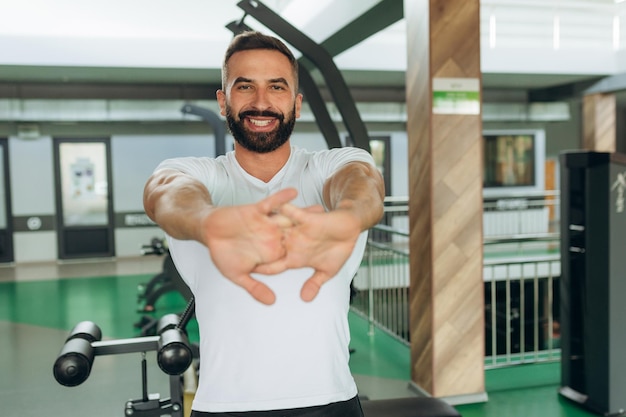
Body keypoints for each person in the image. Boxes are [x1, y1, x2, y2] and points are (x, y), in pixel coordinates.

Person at [143, 31, 385, 417]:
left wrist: (346, 218)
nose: (261, 102)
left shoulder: (328, 168)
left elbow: (363, 183)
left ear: (296, 103)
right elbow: (165, 192)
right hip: (223, 406)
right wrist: (211, 222)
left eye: (276, 86)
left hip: (331, 402)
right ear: (223, 101)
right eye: (245, 87)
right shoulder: (197, 174)